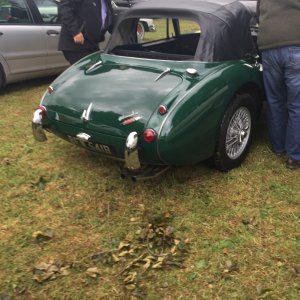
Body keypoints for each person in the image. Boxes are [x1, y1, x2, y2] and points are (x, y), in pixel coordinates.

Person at [256, 0, 300, 169]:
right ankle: (294, 156)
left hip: (269, 47)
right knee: (297, 105)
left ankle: (278, 147)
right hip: (296, 46)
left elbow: (258, 14)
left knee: (274, 100)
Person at [58, 0, 113, 65]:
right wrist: (76, 32)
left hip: (92, 44)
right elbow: (65, 10)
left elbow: (109, 20)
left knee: (97, 70)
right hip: (76, 45)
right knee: (87, 72)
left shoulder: (106, 2)